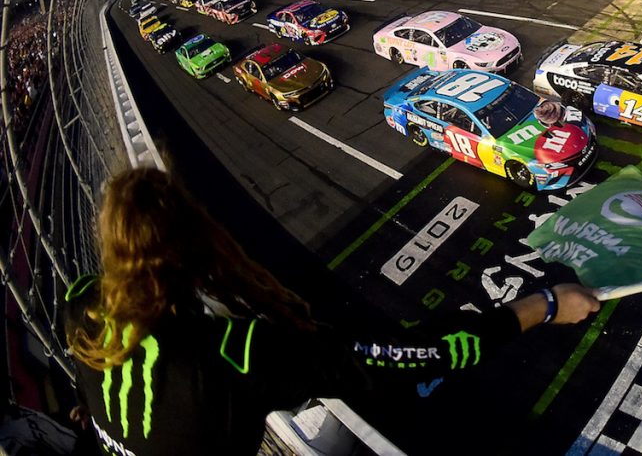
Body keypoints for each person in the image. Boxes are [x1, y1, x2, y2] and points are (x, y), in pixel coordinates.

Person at [62, 167, 599, 455]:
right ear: (200, 242)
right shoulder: (239, 354)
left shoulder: (80, 304)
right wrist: (544, 304)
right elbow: (420, 356)